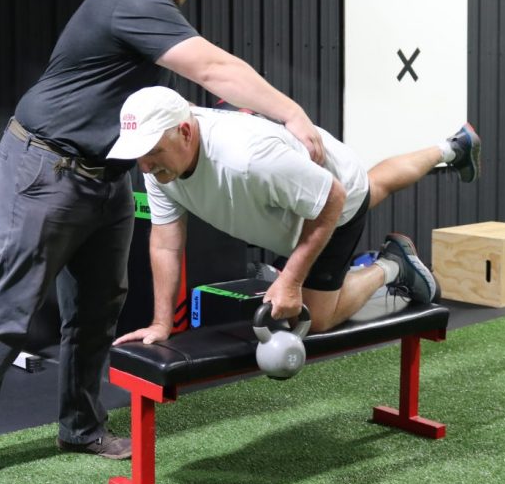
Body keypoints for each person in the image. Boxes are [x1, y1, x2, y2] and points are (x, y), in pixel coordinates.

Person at [0, 0, 326, 484]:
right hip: (46, 166)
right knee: (13, 305)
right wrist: (292, 113)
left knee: (99, 307)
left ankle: (80, 426)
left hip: (108, 174)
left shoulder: (148, 7)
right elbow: (213, 70)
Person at [109, 86, 481, 346]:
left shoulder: (246, 158)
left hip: (334, 196)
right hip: (303, 184)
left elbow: (332, 199)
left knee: (315, 318)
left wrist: (291, 281)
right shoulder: (159, 163)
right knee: (375, 185)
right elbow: (165, 244)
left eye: (153, 151)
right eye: (139, 153)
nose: (144, 164)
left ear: (186, 132)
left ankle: (393, 265)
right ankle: (451, 148)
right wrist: (161, 323)